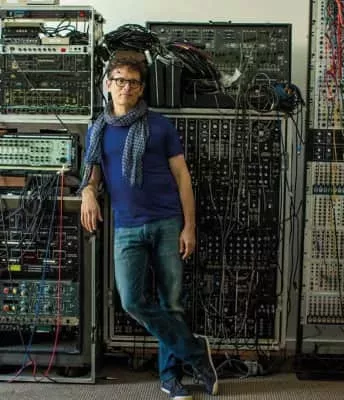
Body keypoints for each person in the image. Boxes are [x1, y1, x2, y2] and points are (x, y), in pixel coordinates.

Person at [79, 53, 218, 400]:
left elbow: (182, 176)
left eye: (133, 82)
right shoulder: (97, 130)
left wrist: (189, 226)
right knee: (131, 301)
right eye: (119, 80)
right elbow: (92, 177)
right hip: (126, 228)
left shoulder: (159, 126)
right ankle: (195, 352)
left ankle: (171, 378)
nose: (126, 87)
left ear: (141, 89)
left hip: (167, 223)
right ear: (108, 84)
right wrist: (88, 193)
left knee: (172, 304)